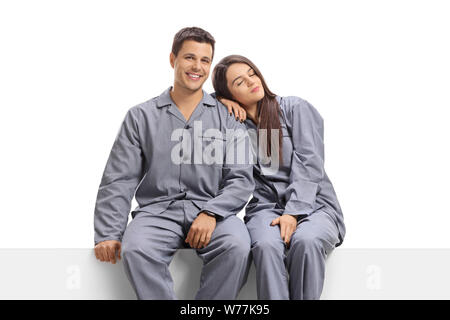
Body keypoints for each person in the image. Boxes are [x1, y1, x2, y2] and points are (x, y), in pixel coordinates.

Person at [93, 29, 254, 300]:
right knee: (136, 249)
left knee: (237, 245)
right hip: (157, 212)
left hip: (212, 210)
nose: (197, 67)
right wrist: (108, 233)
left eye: (205, 60)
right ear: (173, 59)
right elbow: (120, 178)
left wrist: (212, 212)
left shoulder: (227, 117)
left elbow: (240, 178)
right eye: (190, 57)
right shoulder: (140, 117)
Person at [212, 55, 346, 300]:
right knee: (265, 245)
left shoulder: (294, 108)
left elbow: (310, 162)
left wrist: (293, 212)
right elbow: (192, 105)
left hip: (314, 206)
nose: (252, 81)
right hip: (265, 209)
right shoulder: (234, 126)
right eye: (239, 82)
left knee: (306, 241)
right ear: (230, 95)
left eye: (252, 73)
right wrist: (219, 101)